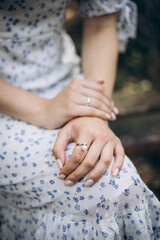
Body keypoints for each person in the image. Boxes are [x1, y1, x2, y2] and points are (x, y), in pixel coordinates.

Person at [0, 0, 159, 239]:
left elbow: (100, 24)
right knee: (104, 187)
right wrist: (43, 110)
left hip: (69, 87)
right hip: (7, 103)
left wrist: (93, 113)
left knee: (114, 177)